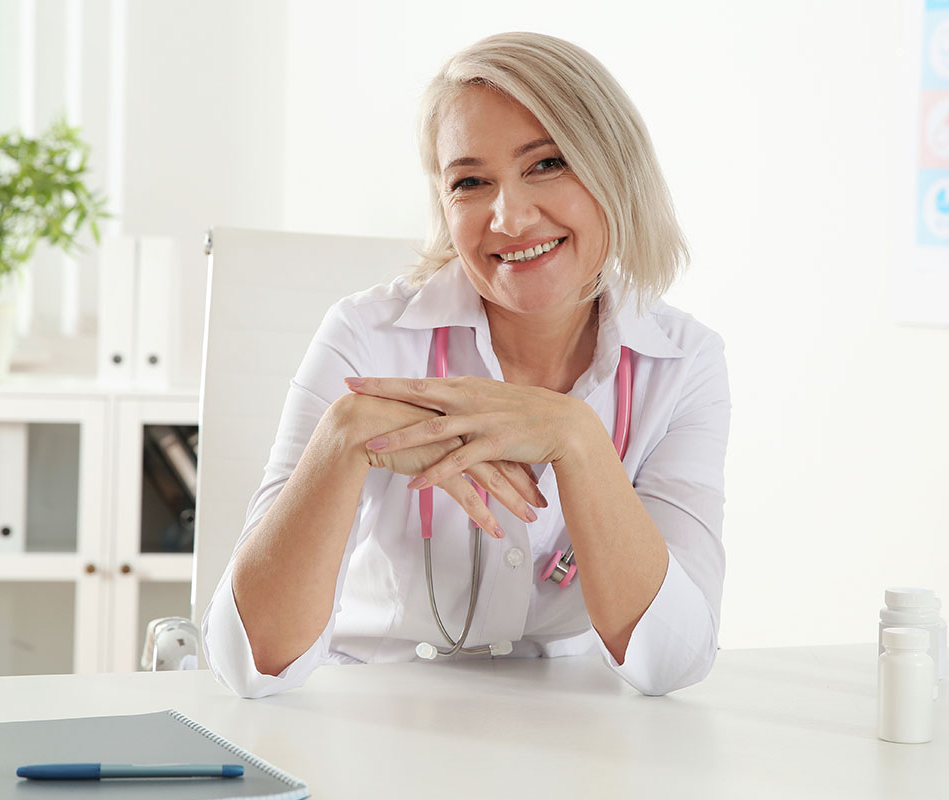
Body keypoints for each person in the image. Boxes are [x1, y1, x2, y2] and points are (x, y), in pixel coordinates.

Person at [203, 31, 731, 698]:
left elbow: (672, 661)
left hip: (574, 737)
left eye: (547, 164)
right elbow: (251, 664)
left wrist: (577, 441)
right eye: (471, 181)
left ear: (615, 168)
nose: (508, 218)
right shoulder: (368, 338)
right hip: (373, 717)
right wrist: (341, 442)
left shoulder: (682, 365)